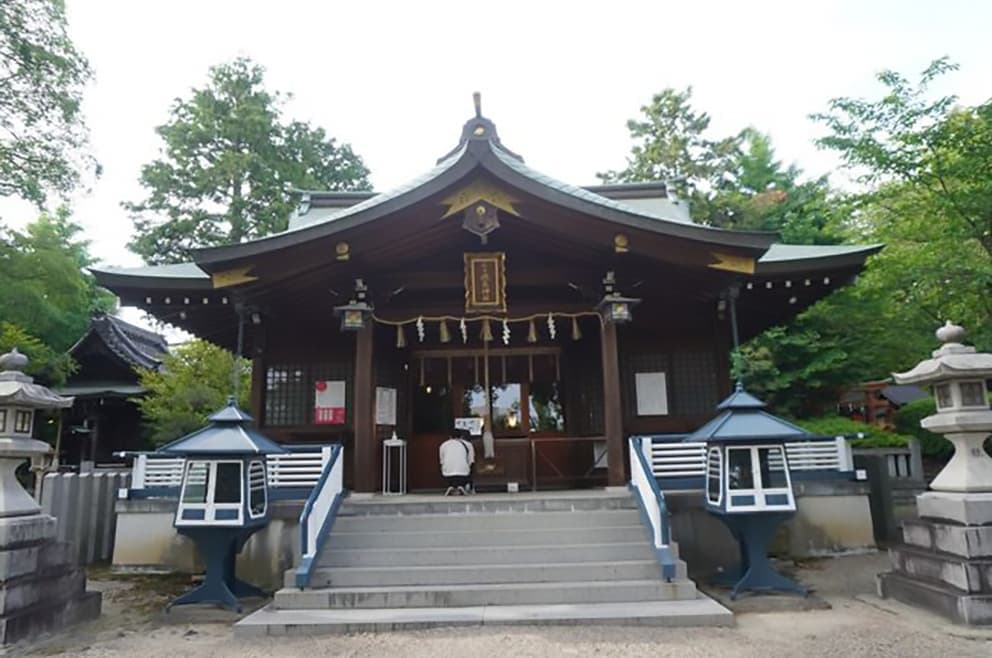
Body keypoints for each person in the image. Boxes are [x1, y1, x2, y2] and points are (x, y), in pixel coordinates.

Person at [439, 430, 475, 495]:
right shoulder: (468, 445)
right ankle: (464, 486)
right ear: (461, 436)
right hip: (463, 475)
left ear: (449, 436)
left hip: (447, 476)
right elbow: (471, 461)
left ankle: (451, 486)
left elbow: (442, 461)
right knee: (470, 467)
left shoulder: (443, 445)